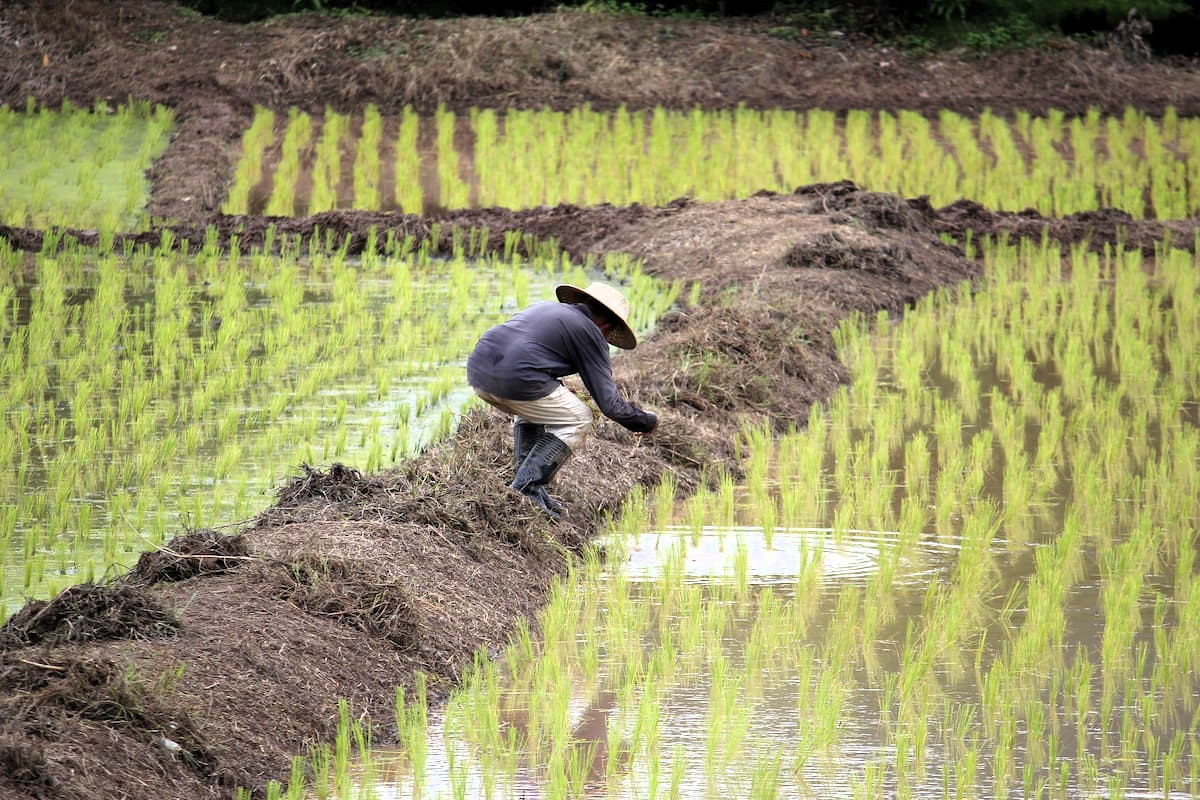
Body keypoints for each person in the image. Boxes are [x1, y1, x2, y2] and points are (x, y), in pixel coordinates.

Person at [467, 281, 658, 520]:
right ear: (609, 324)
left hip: (479, 373)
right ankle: (526, 487)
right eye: (609, 334)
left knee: (536, 410)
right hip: (517, 378)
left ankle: (529, 486)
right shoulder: (590, 332)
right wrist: (645, 422)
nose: (607, 338)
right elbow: (609, 404)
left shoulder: (545, 309)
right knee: (579, 418)